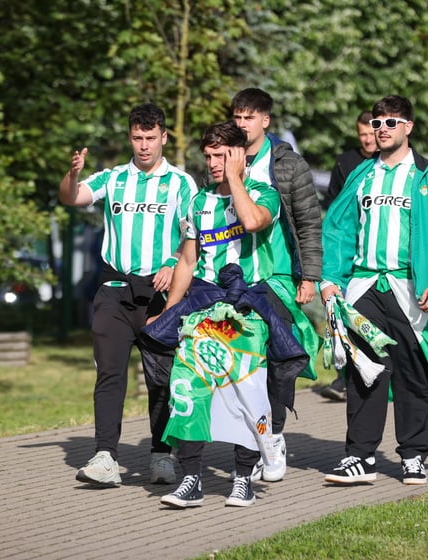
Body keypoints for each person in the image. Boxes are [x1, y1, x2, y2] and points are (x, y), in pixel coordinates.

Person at [321, 95, 428, 485]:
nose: (382, 129)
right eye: (377, 122)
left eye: (390, 122)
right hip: (365, 284)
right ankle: (359, 456)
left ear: (408, 128)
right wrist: (331, 278)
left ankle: (414, 454)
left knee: (413, 372)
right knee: (364, 370)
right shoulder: (361, 175)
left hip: (410, 287)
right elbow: (337, 228)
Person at [58, 103, 198, 486]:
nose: (144, 145)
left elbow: (193, 238)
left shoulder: (182, 184)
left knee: (161, 379)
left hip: (159, 292)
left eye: (151, 138)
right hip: (114, 289)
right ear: (129, 138)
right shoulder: (115, 178)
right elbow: (72, 198)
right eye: (137, 138)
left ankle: (161, 455)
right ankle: (106, 457)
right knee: (109, 373)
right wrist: (72, 176)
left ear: (164, 137)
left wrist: (171, 262)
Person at [153, 120, 288, 508]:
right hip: (203, 310)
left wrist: (235, 177)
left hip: (246, 310)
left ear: (241, 154)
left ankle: (243, 477)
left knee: (243, 395)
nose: (214, 163)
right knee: (188, 389)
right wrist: (168, 312)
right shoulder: (198, 203)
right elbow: (188, 260)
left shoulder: (264, 192)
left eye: (222, 155)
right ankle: (191, 478)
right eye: (209, 156)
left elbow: (250, 222)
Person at [230, 88, 323, 482]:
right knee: (241, 362)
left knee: (276, 362)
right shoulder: (222, 157)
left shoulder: (287, 165)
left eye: (249, 117)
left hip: (279, 277)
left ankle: (275, 431)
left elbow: (307, 221)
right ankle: (249, 447)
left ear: (265, 121)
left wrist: (310, 275)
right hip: (235, 276)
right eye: (236, 116)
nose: (241, 124)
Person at [321, 110, 377, 402]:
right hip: (346, 252)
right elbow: (333, 206)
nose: (367, 140)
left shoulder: (389, 164)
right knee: (343, 314)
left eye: (371, 134)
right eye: (362, 135)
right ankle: (344, 377)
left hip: (374, 254)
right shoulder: (345, 162)